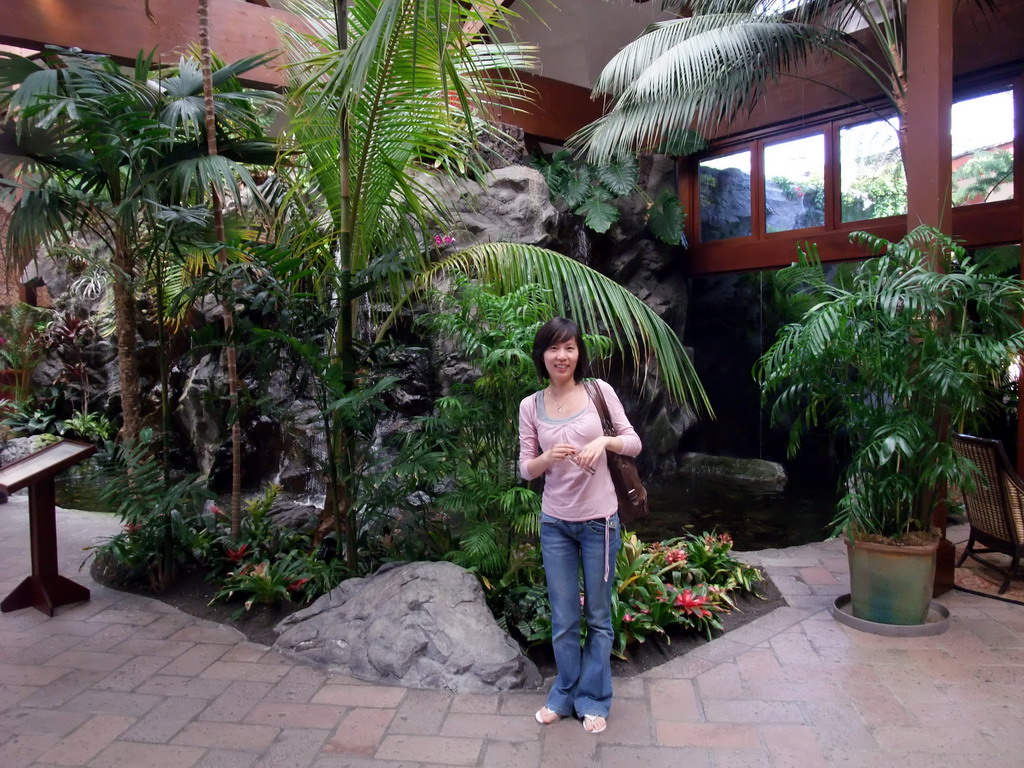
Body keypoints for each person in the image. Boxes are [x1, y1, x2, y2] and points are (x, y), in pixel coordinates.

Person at [517, 316, 642, 734]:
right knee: (565, 617)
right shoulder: (530, 406)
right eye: (554, 348)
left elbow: (634, 441)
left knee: (600, 617)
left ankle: (593, 699)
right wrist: (547, 459)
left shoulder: (598, 392)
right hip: (555, 524)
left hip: (600, 524)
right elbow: (525, 470)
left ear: (579, 353)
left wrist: (604, 442)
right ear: (542, 355)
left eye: (569, 347)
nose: (562, 355)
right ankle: (563, 693)